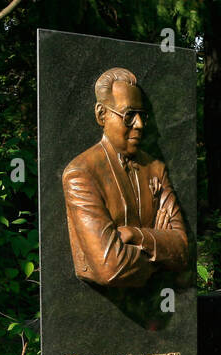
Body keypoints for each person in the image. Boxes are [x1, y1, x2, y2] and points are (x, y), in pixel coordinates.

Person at [62, 67, 190, 289]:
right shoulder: (81, 173)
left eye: (142, 115)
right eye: (129, 115)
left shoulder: (155, 169)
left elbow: (182, 249)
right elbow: (110, 268)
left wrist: (134, 235)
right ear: (102, 115)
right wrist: (160, 247)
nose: (139, 125)